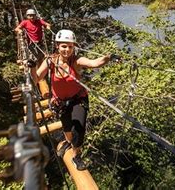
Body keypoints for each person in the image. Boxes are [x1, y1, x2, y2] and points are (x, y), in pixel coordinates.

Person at [30, 29, 114, 171]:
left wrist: (109, 57)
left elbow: (95, 63)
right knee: (67, 127)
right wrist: (32, 68)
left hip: (78, 98)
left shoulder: (76, 61)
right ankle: (69, 142)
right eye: (64, 46)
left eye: (70, 46)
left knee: (79, 128)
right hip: (60, 101)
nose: (67, 49)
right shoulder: (50, 61)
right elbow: (36, 79)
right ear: (57, 46)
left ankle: (76, 155)